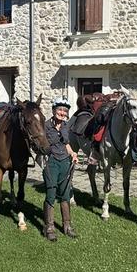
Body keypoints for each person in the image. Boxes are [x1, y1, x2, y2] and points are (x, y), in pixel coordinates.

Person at [43, 97, 80, 241]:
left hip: (65, 162)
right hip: (51, 162)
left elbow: (66, 144)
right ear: (53, 110)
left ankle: (67, 226)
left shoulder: (65, 126)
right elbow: (40, 144)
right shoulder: (45, 126)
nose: (62, 113)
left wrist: (73, 153)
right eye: (59, 109)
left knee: (65, 193)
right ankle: (49, 227)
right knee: (51, 193)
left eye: (65, 111)